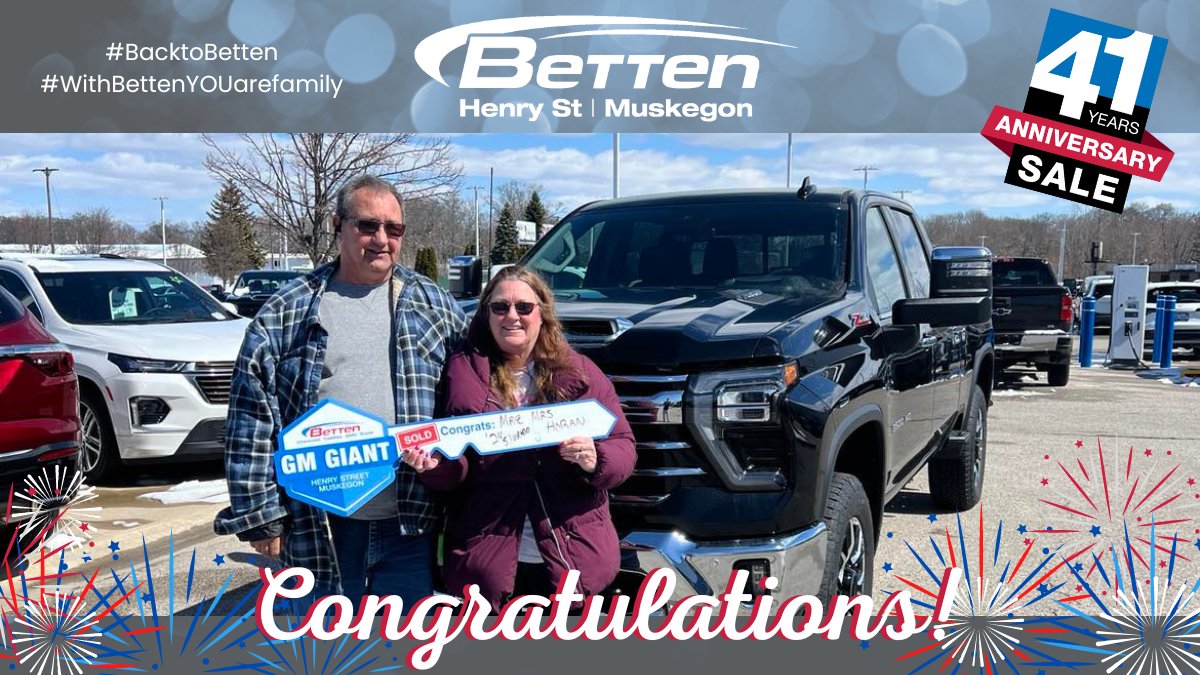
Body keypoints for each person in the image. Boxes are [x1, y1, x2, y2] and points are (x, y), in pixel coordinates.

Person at [214, 175, 467, 607]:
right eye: (368, 226)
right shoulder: (288, 310)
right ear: (338, 225)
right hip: (320, 526)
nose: (382, 239)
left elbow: (472, 390)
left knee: (402, 650)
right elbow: (251, 420)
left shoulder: (433, 304)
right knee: (323, 651)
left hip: (411, 522)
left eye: (394, 229)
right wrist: (261, 516)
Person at [403, 265, 635, 608]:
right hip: (490, 564)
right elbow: (455, 467)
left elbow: (624, 448)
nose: (512, 316)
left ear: (542, 314)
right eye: (500, 307)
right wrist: (432, 466)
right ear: (486, 315)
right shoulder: (461, 373)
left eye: (524, 307)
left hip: (572, 559)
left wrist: (595, 458)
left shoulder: (582, 373)